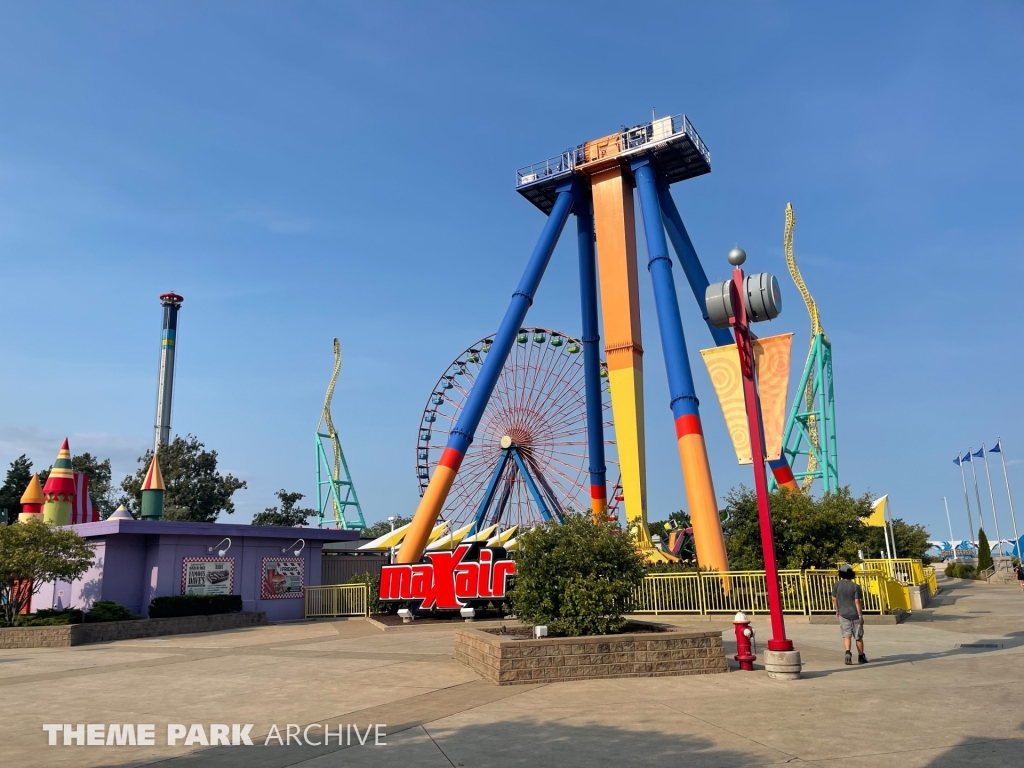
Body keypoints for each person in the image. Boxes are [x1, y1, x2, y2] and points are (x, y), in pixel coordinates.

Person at [832, 564, 868, 665]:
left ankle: (848, 652)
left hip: (843, 614)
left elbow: (834, 599)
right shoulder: (855, 586)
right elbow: (857, 601)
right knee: (858, 637)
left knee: (846, 635)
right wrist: (860, 616)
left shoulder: (837, 585)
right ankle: (861, 656)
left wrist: (837, 610)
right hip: (855, 614)